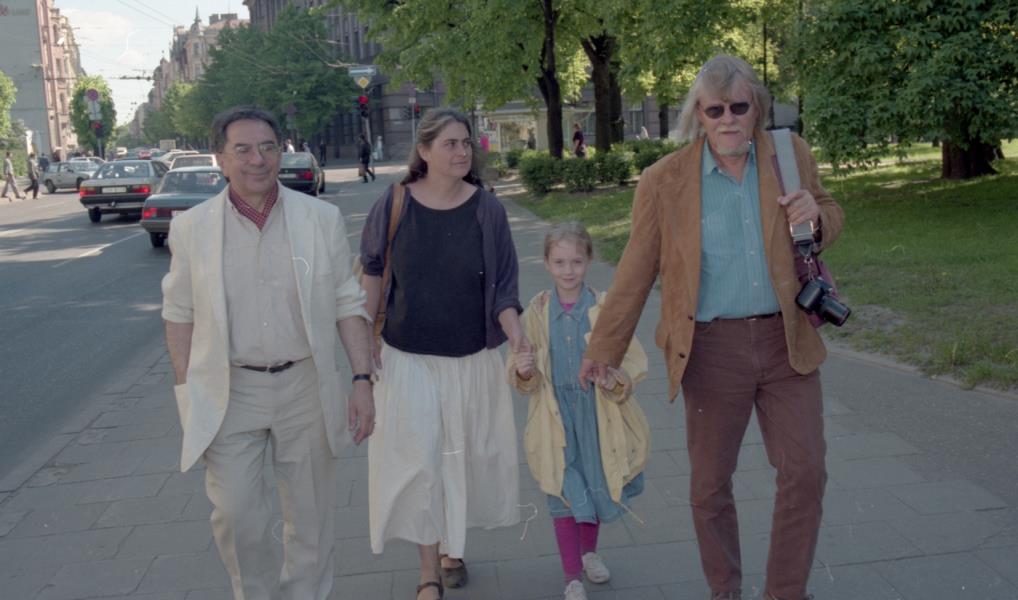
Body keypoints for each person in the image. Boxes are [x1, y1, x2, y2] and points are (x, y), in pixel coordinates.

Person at [580, 55, 844, 600]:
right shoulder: (665, 180)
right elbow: (635, 268)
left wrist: (816, 217)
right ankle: (724, 590)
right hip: (710, 350)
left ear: (757, 109)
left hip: (786, 341)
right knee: (709, 487)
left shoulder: (789, 155)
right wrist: (603, 348)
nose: (727, 120)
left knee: (806, 472)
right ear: (697, 115)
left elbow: (829, 211)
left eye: (738, 108)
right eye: (714, 110)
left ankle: (785, 592)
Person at [161, 106, 376, 600]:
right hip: (230, 390)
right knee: (237, 515)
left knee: (312, 516)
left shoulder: (319, 219)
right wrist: (188, 391)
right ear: (220, 159)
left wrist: (362, 380)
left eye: (267, 147)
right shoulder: (193, 228)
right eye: (242, 149)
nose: (257, 159)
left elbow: (347, 301)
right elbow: (179, 313)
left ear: (282, 152)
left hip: (304, 385)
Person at [360, 107, 526, 600]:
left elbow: (505, 289)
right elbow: (372, 271)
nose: (461, 151)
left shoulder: (487, 210)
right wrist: (364, 342)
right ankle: (428, 571)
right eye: (450, 143)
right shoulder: (394, 203)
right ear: (424, 151)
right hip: (408, 359)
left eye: (465, 142)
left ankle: (454, 546)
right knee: (421, 463)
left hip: (471, 360)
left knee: (461, 458)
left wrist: (518, 337)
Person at [509, 222, 650, 600]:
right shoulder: (536, 313)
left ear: (589, 260)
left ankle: (589, 553)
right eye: (559, 262)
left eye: (576, 261)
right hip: (555, 420)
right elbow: (522, 374)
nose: (568, 270)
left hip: (596, 418)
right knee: (562, 494)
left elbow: (631, 363)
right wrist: (524, 370)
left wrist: (614, 379)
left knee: (594, 486)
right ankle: (571, 576)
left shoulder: (605, 310)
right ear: (546, 263)